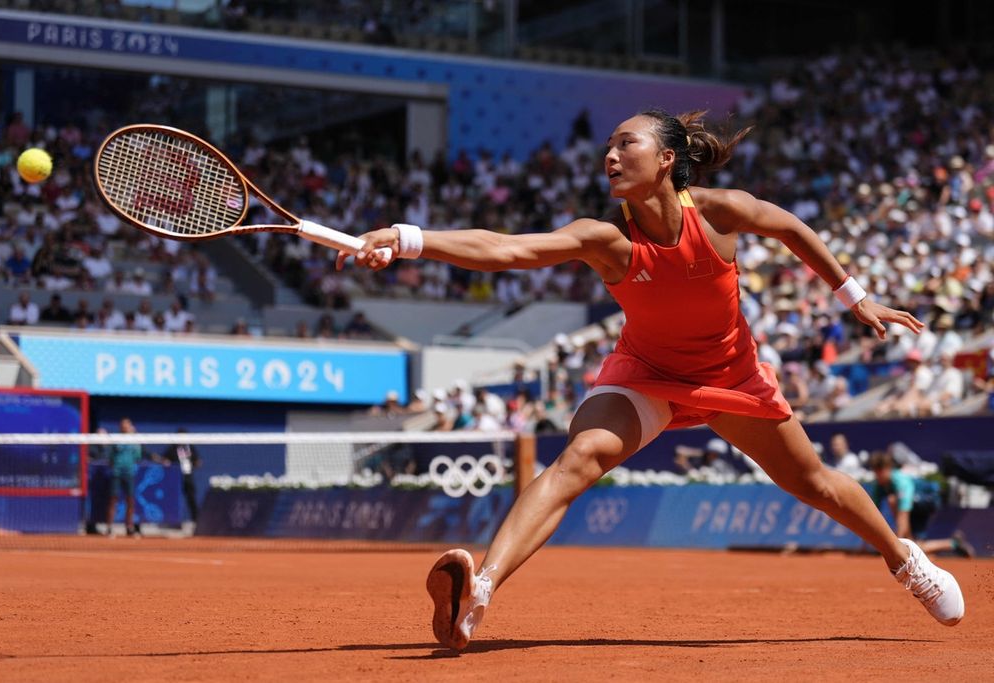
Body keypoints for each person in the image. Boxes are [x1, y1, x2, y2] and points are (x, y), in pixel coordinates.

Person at [341, 109, 965, 650]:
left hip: (729, 376)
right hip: (646, 375)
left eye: (625, 145)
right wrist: (406, 238)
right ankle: (476, 595)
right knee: (579, 458)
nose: (610, 157)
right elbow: (505, 247)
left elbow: (791, 228)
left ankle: (905, 560)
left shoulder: (719, 213)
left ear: (667, 159)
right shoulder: (605, 239)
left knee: (816, 484)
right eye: (607, 150)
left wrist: (856, 298)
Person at [868, 451, 974, 559]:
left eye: (880, 471)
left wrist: (897, 547)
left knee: (893, 501)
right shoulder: (879, 485)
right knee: (913, 546)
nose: (878, 475)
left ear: (888, 468)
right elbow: (872, 511)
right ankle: (954, 544)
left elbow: (903, 515)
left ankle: (907, 546)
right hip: (912, 507)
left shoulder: (901, 481)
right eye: (875, 471)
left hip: (927, 501)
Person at [107, 417, 143, 538]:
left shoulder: (135, 441)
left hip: (129, 473)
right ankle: (110, 527)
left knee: (130, 501)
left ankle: (129, 527)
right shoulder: (115, 440)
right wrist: (116, 466)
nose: (125, 427)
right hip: (117, 473)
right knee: (113, 500)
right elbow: (110, 458)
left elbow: (138, 457)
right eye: (123, 425)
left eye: (127, 425)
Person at [158, 429, 202, 529]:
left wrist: (197, 462)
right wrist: (166, 462)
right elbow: (164, 459)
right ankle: (173, 522)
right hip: (176, 478)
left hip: (188, 477)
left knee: (191, 499)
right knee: (175, 500)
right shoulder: (172, 449)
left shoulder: (190, 448)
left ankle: (196, 522)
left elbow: (197, 460)